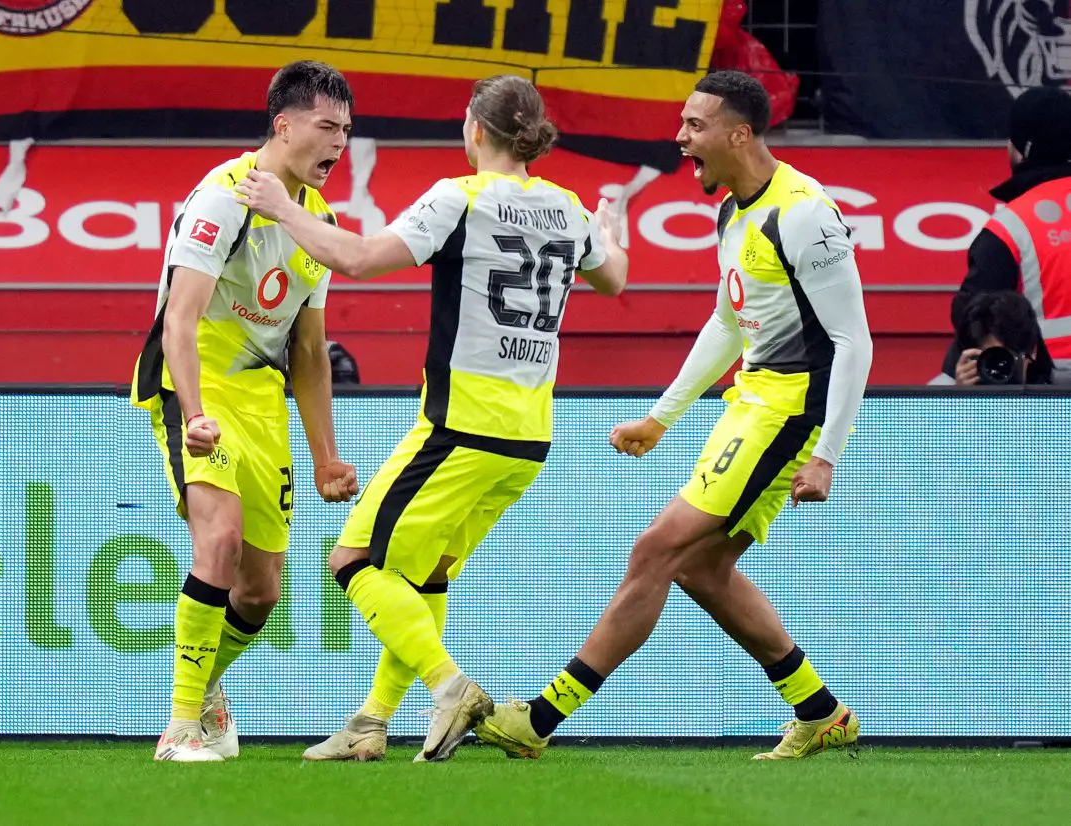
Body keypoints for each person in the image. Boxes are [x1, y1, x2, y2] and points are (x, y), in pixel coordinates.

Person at [474, 70, 873, 761]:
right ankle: (820, 710)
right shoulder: (733, 213)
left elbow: (853, 341)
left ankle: (539, 719)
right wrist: (662, 417)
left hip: (788, 414)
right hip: (751, 403)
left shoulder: (804, 214)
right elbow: (726, 323)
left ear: (739, 133)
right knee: (699, 569)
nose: (680, 138)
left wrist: (827, 453)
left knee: (656, 550)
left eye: (695, 126)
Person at [236, 74, 629, 763]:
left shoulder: (461, 197)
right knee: (427, 573)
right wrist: (612, 226)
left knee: (354, 561)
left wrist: (283, 209)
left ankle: (450, 687)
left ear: (475, 128)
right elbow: (616, 277)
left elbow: (355, 259)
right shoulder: (567, 207)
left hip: (461, 427)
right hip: (529, 438)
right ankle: (371, 724)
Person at [131, 61, 360, 762]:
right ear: (282, 124)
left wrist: (325, 456)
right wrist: (194, 412)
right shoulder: (223, 197)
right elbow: (179, 319)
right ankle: (179, 726)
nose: (338, 144)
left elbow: (312, 352)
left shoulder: (316, 220)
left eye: (347, 132)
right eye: (326, 127)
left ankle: (204, 693)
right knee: (220, 542)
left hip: (263, 404)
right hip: (194, 385)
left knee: (260, 592)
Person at [937, 85, 1071, 385]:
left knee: (954, 368)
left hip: (1049, 388)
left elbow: (972, 320)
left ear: (1022, 149)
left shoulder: (1011, 227)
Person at [932, 291, 1051, 386]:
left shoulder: (1060, 397)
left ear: (1032, 351)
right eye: (987, 358)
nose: (996, 369)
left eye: (1004, 358)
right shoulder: (937, 401)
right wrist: (962, 400)